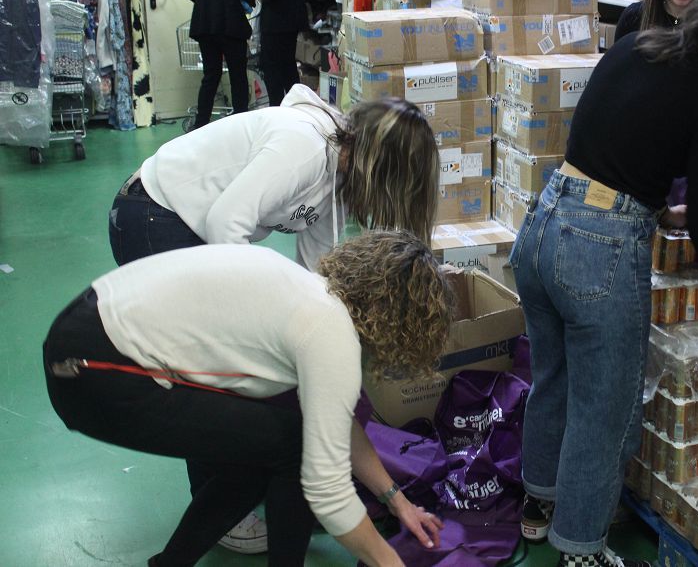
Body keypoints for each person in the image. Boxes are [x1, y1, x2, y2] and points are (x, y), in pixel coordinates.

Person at [510, 0, 698, 567]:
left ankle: (538, 508)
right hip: (598, 252)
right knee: (604, 413)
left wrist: (661, 208)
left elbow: (613, 145)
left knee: (552, 380)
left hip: (544, 223)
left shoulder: (636, 45)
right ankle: (581, 551)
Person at [44, 230, 453, 566]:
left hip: (80, 332)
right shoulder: (329, 333)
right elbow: (326, 489)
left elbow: (334, 421)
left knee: (266, 447)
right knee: (292, 447)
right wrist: (389, 561)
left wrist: (396, 501)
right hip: (97, 370)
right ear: (404, 325)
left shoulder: (307, 294)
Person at [108, 84, 439, 272]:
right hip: (153, 212)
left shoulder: (339, 178)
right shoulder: (304, 148)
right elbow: (225, 223)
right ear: (385, 174)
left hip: (186, 221)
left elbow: (315, 266)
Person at [182, 0, 256, 129]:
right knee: (237, 76)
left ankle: (201, 123)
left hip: (205, 25)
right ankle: (241, 123)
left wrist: (206, 2)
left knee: (211, 75)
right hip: (231, 25)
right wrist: (252, 1)